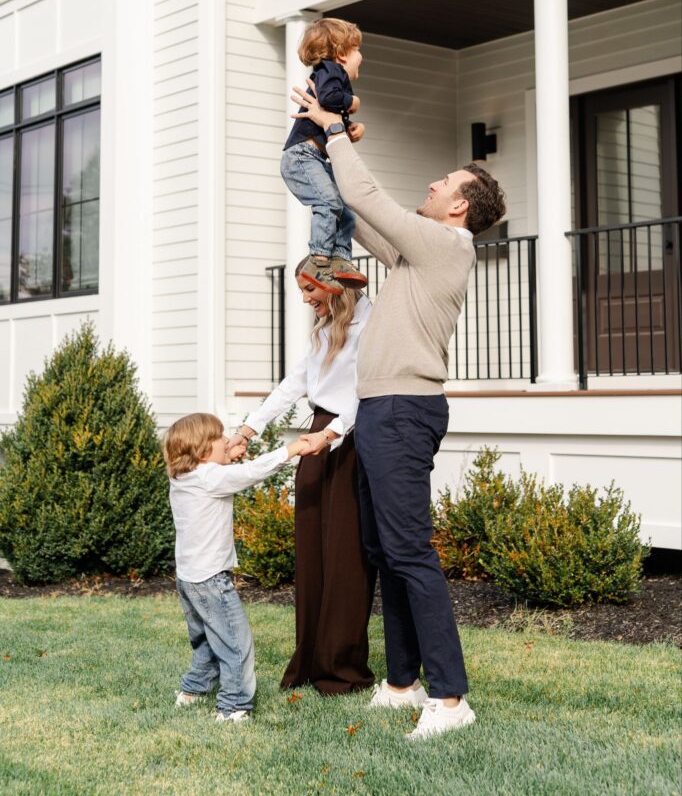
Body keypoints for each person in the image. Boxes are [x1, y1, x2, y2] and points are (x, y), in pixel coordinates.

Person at [291, 82, 506, 740]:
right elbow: (359, 214)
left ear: (459, 205)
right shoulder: (421, 253)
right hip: (382, 409)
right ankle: (402, 680)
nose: (435, 183)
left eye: (445, 180)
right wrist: (320, 156)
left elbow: (369, 198)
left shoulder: (450, 245)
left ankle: (450, 697)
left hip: (404, 410)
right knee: (385, 548)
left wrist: (333, 128)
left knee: (410, 551)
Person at [227, 260, 376, 695]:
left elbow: (366, 392)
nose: (306, 299)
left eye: (310, 290)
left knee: (347, 560)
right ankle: (310, 660)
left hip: (351, 443)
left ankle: (343, 670)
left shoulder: (371, 325)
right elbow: (294, 384)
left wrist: (329, 435)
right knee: (313, 557)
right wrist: (246, 431)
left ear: (333, 287)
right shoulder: (325, 329)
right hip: (317, 440)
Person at [164, 412, 311, 723]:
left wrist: (226, 454)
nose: (226, 441)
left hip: (188, 581)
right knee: (234, 643)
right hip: (212, 581)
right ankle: (233, 707)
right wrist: (292, 449)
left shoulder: (182, 478)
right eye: (220, 438)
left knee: (205, 640)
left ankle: (192, 691)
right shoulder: (211, 478)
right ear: (203, 450)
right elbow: (252, 472)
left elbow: (216, 469)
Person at [280, 17, 368, 294]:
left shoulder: (332, 74)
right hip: (302, 157)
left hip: (314, 157)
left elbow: (327, 114)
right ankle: (318, 261)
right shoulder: (331, 70)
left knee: (346, 212)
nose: (361, 57)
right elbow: (329, 100)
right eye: (357, 51)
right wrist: (353, 103)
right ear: (341, 54)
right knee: (329, 203)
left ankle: (341, 261)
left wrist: (350, 128)